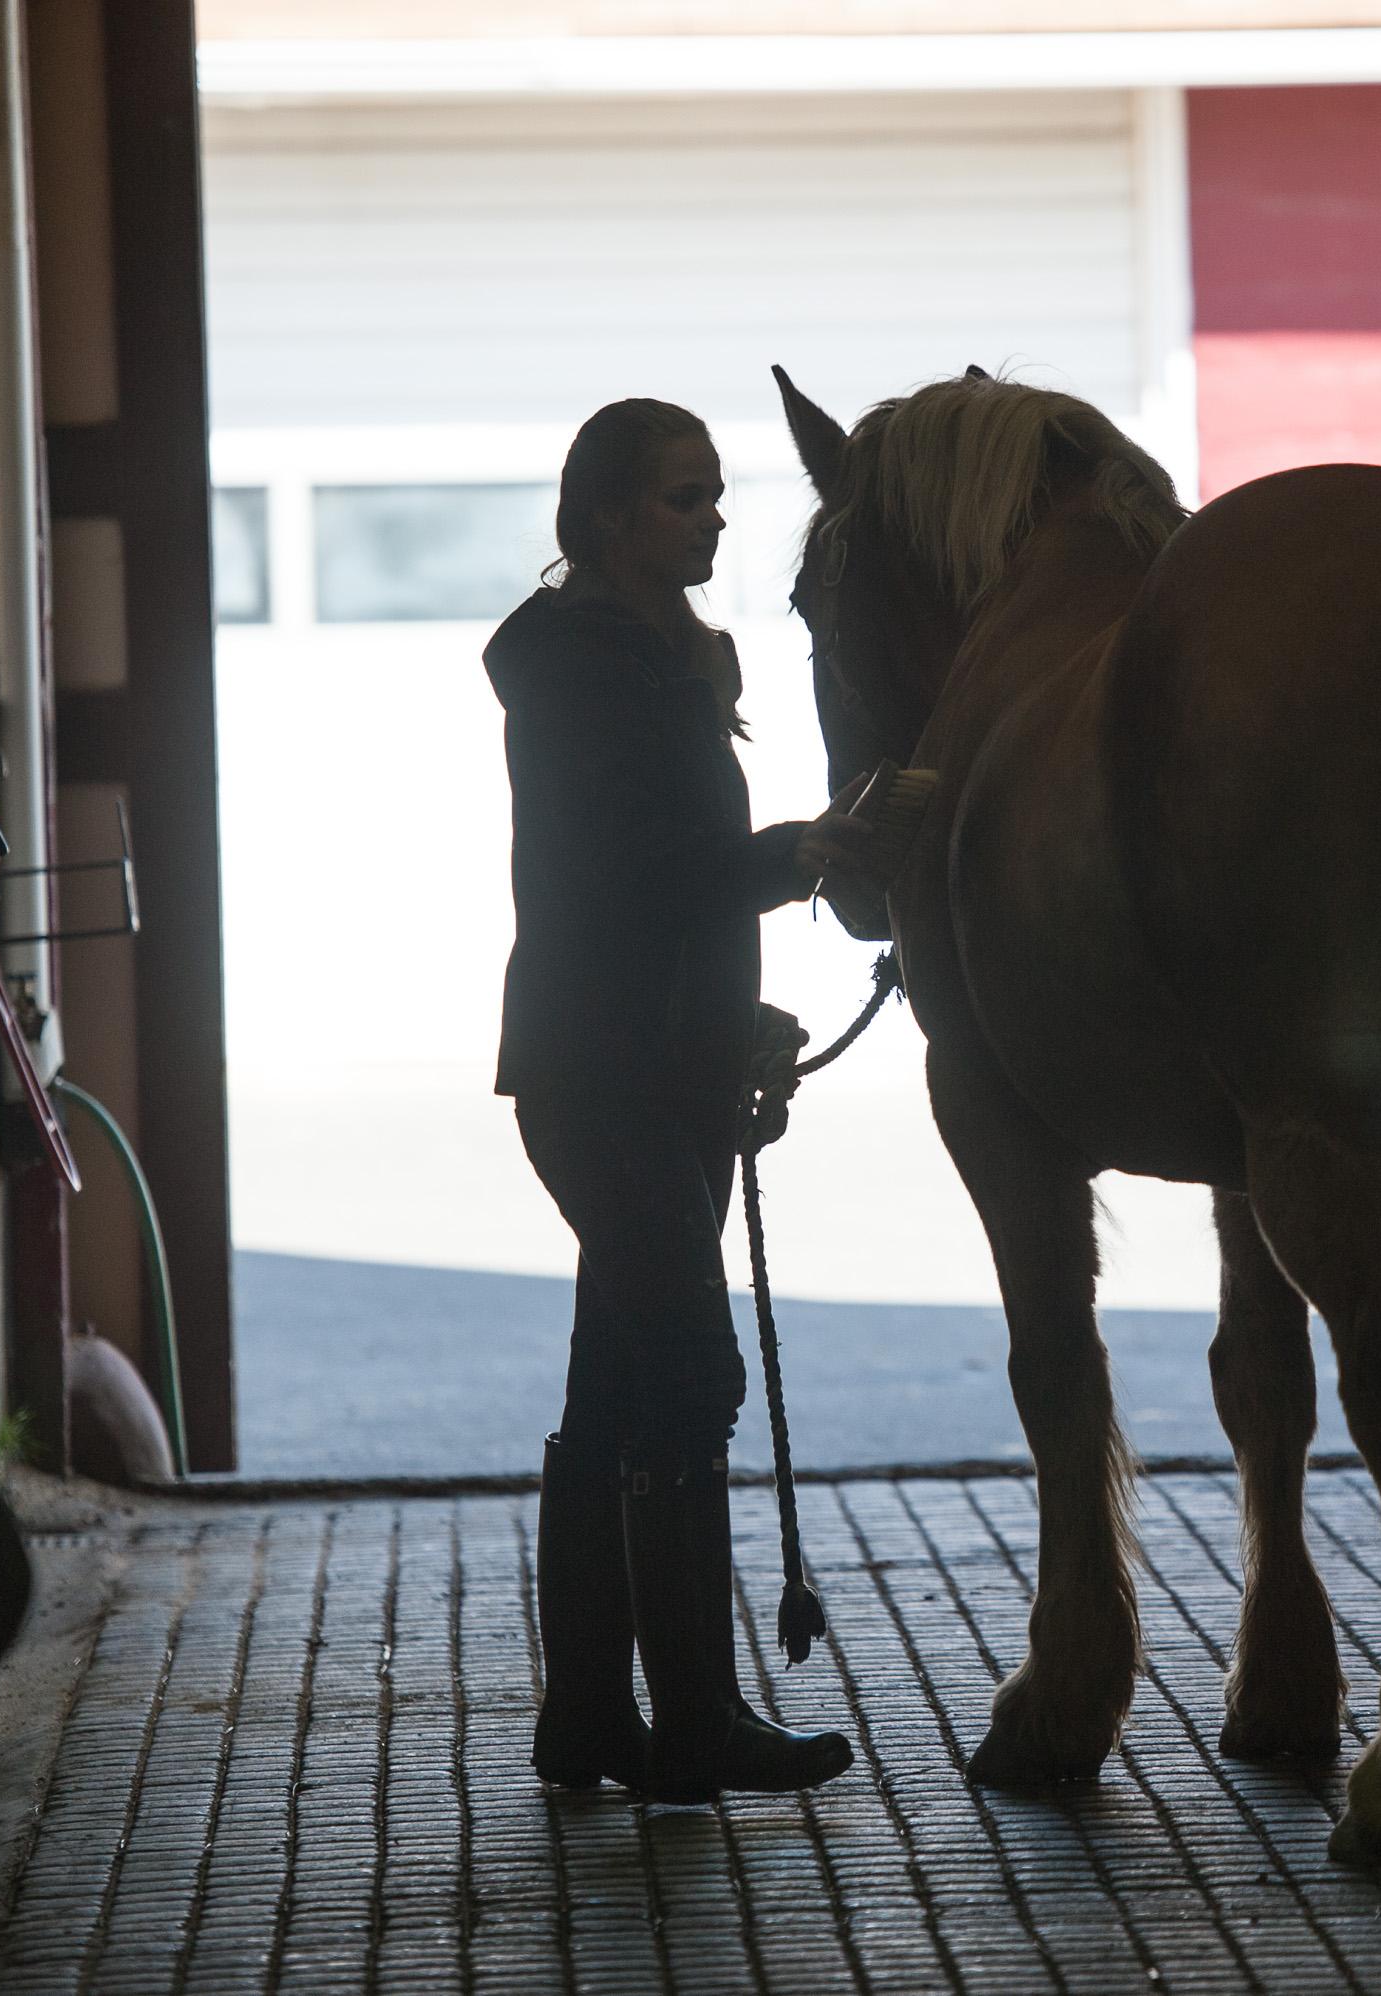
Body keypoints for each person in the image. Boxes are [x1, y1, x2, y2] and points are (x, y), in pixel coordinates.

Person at [487, 399, 858, 1802]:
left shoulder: (655, 661)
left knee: (617, 1388)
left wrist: (737, 1020)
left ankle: (589, 1719)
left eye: (715, 493)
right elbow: (643, 882)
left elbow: (666, 892)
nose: (712, 516)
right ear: (605, 518)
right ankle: (695, 1722)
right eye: (681, 498)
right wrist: (817, 849)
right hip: (608, 1074)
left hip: (651, 1064)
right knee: (690, 1376)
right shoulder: (587, 672)